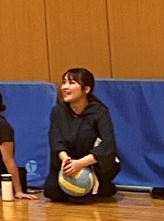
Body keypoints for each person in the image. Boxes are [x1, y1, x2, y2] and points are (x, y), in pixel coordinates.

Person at [44, 68, 120, 203]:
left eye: (71, 83)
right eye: (64, 82)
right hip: (68, 161)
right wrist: (66, 160)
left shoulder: (100, 112)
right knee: (52, 192)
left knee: (84, 197)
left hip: (92, 162)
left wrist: (80, 164)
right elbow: (55, 140)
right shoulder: (58, 111)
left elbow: (108, 145)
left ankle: (103, 186)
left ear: (86, 89)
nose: (65, 87)